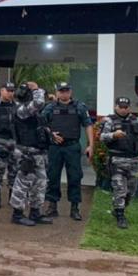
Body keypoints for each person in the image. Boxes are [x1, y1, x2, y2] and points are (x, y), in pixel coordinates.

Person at [40, 82, 94, 221]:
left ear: (71, 92)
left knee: (75, 177)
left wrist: (90, 145)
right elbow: (42, 124)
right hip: (55, 147)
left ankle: (75, 208)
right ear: (57, 92)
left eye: (66, 91)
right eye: (61, 91)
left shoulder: (79, 107)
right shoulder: (50, 107)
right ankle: (52, 206)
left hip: (72, 146)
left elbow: (88, 125)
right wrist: (51, 134)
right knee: (52, 176)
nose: (64, 93)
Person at [99, 97, 138, 229]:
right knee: (120, 189)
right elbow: (102, 137)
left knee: (131, 190)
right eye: (121, 107)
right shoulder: (109, 120)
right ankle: (120, 216)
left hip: (134, 160)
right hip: (117, 160)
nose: (123, 109)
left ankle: (119, 208)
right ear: (116, 107)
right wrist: (113, 135)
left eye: (126, 107)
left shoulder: (136, 120)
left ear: (129, 107)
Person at [9, 81, 50, 227]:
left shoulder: (31, 111)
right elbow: (38, 103)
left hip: (37, 153)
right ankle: (17, 214)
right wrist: (37, 89)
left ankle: (35, 212)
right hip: (26, 153)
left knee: (40, 183)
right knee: (22, 183)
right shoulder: (21, 109)